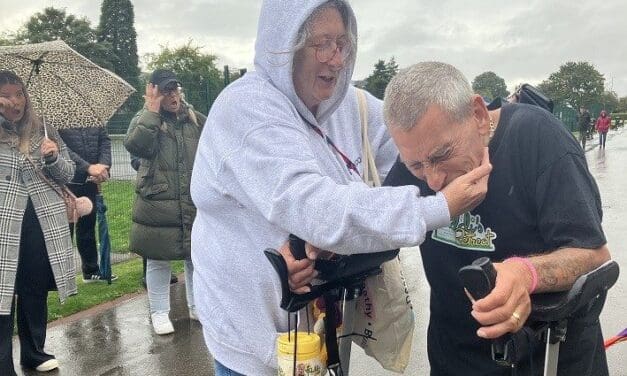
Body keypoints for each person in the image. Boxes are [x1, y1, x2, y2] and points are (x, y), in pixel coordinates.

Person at [189, 1, 490, 375]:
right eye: (322, 44)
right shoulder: (246, 110)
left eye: (343, 44)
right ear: (286, 47)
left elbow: (414, 143)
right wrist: (439, 206)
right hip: (251, 341)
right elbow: (318, 209)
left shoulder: (350, 104)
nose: (336, 59)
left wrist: (483, 127)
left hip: (318, 327)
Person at [377, 62, 610, 375]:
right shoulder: (420, 153)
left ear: (477, 114)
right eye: (416, 166)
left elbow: (594, 254)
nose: (432, 181)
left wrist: (525, 273)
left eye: (441, 156)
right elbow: (379, 230)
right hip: (455, 359)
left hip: (549, 358)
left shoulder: (538, 137)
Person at [0, 70, 77, 374]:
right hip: (5, 225)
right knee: (3, 290)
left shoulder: (43, 129)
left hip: (39, 223)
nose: (14, 101)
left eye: (19, 94)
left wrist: (54, 157)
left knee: (33, 288)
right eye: (6, 95)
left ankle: (33, 352)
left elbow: (69, 173)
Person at [124, 69, 205, 335]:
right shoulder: (145, 118)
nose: (173, 96)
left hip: (191, 200)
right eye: (166, 91)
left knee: (196, 258)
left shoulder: (193, 119)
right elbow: (136, 146)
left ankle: (197, 306)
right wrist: (151, 109)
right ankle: (159, 312)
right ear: (155, 92)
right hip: (158, 202)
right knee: (158, 260)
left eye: (175, 90)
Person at [57, 116, 117, 282]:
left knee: (87, 227)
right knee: (63, 230)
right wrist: (88, 167)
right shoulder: (56, 118)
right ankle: (60, 276)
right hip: (66, 181)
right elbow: (62, 148)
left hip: (90, 181)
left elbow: (104, 141)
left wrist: (103, 166)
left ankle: (91, 271)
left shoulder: (94, 114)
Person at [129, 153, 178, 288]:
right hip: (152, 184)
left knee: (168, 230)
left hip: (173, 184)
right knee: (152, 231)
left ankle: (163, 271)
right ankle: (148, 274)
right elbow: (136, 160)